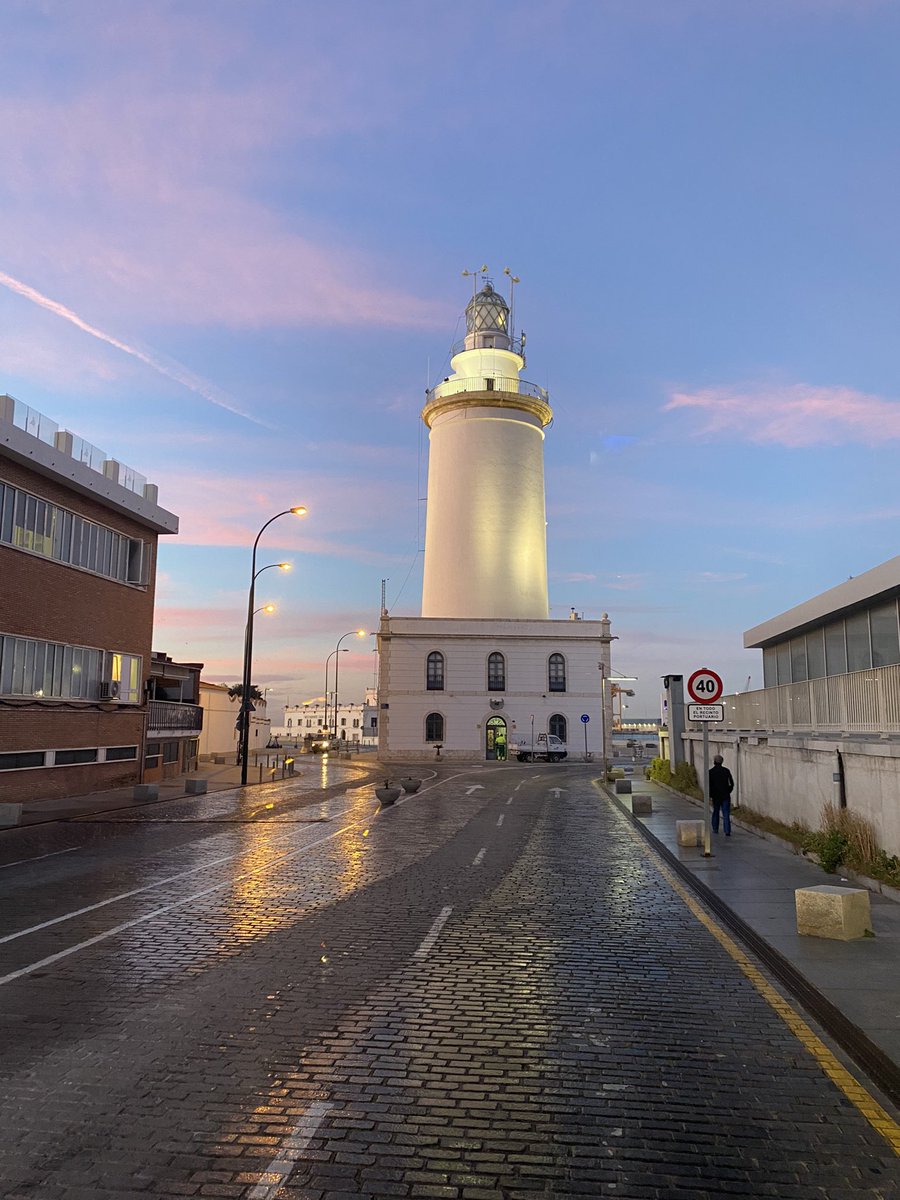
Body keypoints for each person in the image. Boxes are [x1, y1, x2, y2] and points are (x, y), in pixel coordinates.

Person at [709, 754, 735, 835]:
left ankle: (715, 828)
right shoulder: (726, 771)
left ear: (714, 762)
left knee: (716, 811)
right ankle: (727, 830)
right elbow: (731, 783)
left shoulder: (711, 772)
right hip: (725, 795)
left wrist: (710, 794)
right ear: (722, 762)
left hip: (715, 796)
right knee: (726, 813)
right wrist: (728, 791)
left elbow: (709, 785)